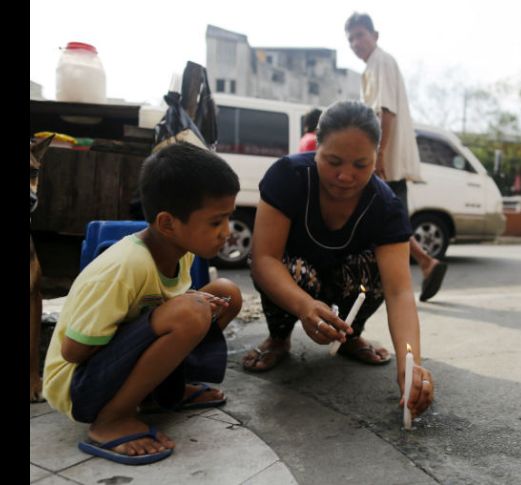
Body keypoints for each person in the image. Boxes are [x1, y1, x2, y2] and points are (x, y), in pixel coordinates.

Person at [42, 142, 243, 465]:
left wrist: (174, 311)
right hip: (77, 385)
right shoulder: (126, 266)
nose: (226, 233)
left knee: (226, 293)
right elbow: (74, 352)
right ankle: (111, 420)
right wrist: (169, 314)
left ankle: (165, 393)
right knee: (190, 312)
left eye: (228, 219)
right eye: (215, 222)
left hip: (115, 368)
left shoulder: (181, 250)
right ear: (168, 224)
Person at [241, 100, 435, 420]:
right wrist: (305, 306)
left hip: (347, 284)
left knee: (374, 269)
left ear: (377, 156)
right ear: (316, 148)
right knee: (289, 268)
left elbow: (399, 292)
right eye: (333, 161)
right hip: (298, 282)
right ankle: (279, 338)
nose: (345, 176)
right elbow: (264, 259)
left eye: (361, 164)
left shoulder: (386, 204)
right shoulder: (288, 177)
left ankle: (349, 335)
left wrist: (410, 364)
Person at [345, 12, 447, 302]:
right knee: (387, 219)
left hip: (387, 160)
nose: (356, 42)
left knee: (389, 221)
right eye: (351, 38)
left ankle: (414, 273)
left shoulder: (381, 61)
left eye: (360, 35)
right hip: (385, 158)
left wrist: (378, 156)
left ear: (375, 35)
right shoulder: (375, 65)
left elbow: (385, 112)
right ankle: (422, 266)